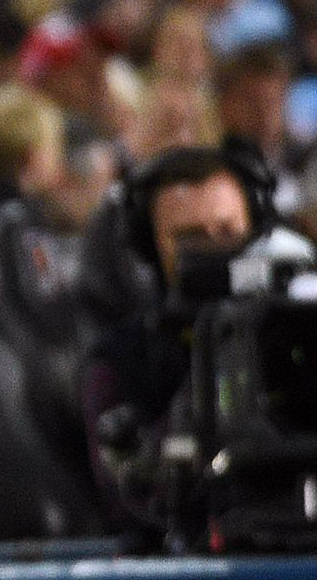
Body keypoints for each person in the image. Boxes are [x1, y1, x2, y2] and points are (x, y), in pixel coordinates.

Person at [82, 144, 315, 533]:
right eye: (190, 238)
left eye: (227, 231)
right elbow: (131, 500)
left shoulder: (294, 332)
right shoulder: (119, 359)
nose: (214, 251)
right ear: (149, 245)